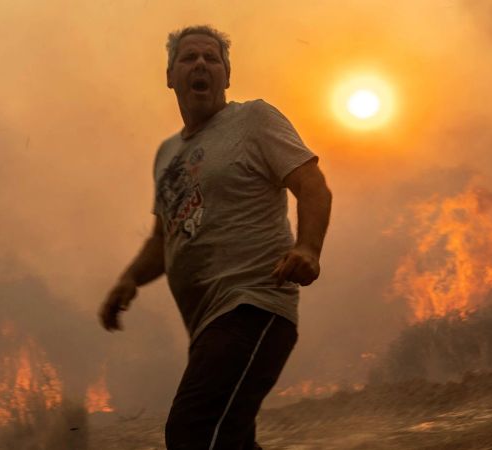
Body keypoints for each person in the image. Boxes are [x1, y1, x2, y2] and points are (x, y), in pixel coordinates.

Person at [99, 25, 332, 450]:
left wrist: (308, 248)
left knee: (193, 432)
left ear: (227, 75)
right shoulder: (167, 154)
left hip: (254, 305)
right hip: (207, 325)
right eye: (189, 58)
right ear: (170, 76)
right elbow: (163, 239)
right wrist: (129, 278)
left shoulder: (254, 119)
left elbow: (312, 183)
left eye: (212, 58)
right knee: (230, 441)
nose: (201, 65)